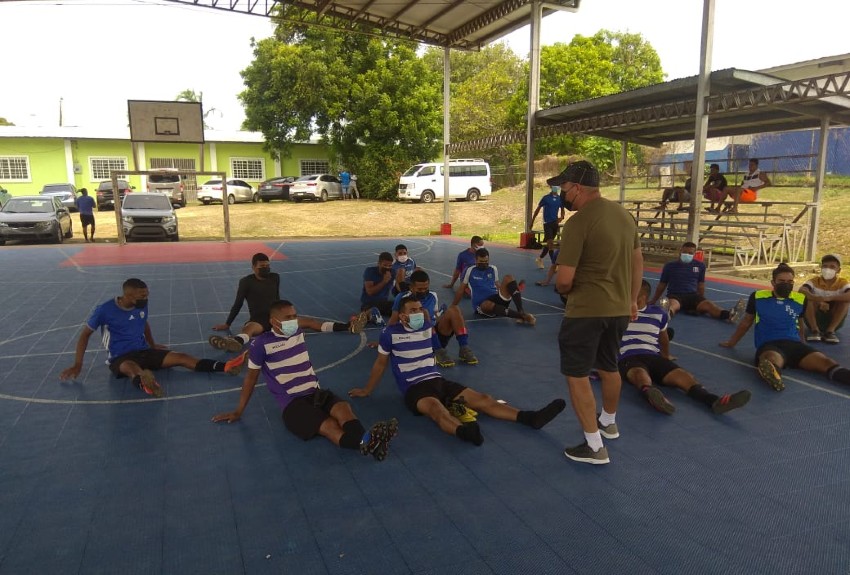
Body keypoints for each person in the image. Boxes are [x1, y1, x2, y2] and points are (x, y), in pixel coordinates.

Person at [348, 296, 566, 446]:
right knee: (436, 409)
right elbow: (380, 364)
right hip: (414, 389)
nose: (418, 313)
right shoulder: (389, 333)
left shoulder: (426, 326)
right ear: (402, 316)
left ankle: (530, 418)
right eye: (412, 311)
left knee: (483, 398)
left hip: (437, 380)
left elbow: (436, 342)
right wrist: (367, 390)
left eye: (419, 309)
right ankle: (464, 431)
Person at [212, 300, 398, 461]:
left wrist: (346, 327)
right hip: (293, 404)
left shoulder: (297, 328)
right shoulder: (261, 344)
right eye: (288, 318)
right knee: (329, 425)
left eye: (294, 315)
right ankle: (367, 442)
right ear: (273, 321)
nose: (293, 320)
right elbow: (250, 379)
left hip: (316, 393)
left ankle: (368, 442)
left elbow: (318, 325)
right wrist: (238, 411)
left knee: (343, 409)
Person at [550, 159, 643, 465]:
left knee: (577, 375)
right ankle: (609, 421)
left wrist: (563, 291)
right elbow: (637, 262)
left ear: (576, 188)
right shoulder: (624, 216)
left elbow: (564, 279)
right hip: (618, 309)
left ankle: (593, 446)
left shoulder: (578, 222)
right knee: (609, 365)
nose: (561, 192)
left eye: (563, 187)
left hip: (586, 310)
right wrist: (631, 300)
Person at [59, 278, 245, 398]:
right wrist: (78, 364)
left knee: (181, 357)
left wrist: (153, 344)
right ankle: (146, 382)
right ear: (128, 296)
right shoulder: (104, 310)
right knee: (132, 368)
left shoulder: (141, 306)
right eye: (142, 295)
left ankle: (226, 367)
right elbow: (85, 335)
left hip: (145, 350)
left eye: (147, 294)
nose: (146, 298)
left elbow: (144, 323)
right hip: (120, 357)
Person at [620, 280, 751, 415]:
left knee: (683, 376)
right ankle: (651, 393)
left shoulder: (658, 313)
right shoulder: (618, 314)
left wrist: (666, 359)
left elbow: (663, 338)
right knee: (639, 374)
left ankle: (714, 401)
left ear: (642, 297)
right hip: (628, 356)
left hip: (653, 355)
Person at [720, 263, 850, 391]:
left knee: (826, 362)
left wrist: (803, 343)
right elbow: (746, 322)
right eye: (782, 281)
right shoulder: (758, 297)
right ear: (773, 282)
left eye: (790, 281)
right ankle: (773, 375)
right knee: (771, 359)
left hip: (794, 345)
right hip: (770, 344)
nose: (786, 284)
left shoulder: (800, 299)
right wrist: (732, 342)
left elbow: (799, 322)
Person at [210, 253, 367, 352]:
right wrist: (227, 323)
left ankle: (349, 326)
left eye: (267, 266)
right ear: (253, 267)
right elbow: (238, 303)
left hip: (278, 318)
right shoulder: (246, 282)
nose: (265, 269)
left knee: (311, 323)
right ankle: (233, 343)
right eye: (261, 267)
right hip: (259, 318)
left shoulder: (275, 277)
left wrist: (286, 315)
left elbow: (277, 298)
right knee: (249, 329)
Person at [389, 269, 477, 367]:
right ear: (411, 287)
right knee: (425, 312)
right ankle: (438, 350)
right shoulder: (401, 298)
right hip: (413, 340)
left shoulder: (432, 296)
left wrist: (443, 316)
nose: (423, 291)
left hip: (433, 336)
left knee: (454, 309)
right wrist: (384, 340)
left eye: (425, 288)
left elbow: (434, 318)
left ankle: (464, 348)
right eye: (419, 289)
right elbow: (393, 321)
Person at [648, 242, 744, 322]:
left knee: (709, 305)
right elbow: (662, 284)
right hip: (675, 295)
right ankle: (666, 314)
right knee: (674, 305)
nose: (687, 255)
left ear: (694, 254)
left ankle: (730, 315)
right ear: (680, 251)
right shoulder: (669, 266)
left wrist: (701, 299)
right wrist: (653, 300)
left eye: (690, 253)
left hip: (693, 296)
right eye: (685, 252)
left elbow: (701, 284)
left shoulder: (700, 266)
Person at [453, 248, 535, 325]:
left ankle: (521, 311)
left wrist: (510, 290)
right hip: (482, 304)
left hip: (496, 298)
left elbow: (498, 285)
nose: (484, 264)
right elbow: (461, 290)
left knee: (508, 277)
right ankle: (523, 316)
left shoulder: (493, 269)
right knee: (487, 304)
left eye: (486, 261)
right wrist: (453, 306)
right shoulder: (470, 270)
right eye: (481, 262)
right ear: (475, 260)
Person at [799, 254, 850, 344]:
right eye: (825, 266)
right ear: (821, 268)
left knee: (845, 302)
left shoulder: (843, 283)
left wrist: (829, 298)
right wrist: (817, 300)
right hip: (813, 319)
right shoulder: (814, 281)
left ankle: (830, 331)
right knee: (808, 299)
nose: (828, 269)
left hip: (834, 319)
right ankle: (815, 330)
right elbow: (802, 290)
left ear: (839, 270)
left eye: (832, 267)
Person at [531, 185, 565, 269]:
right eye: (554, 187)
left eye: (557, 187)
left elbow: (562, 209)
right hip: (547, 223)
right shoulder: (546, 198)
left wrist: (561, 217)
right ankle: (554, 264)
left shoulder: (560, 199)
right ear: (551, 188)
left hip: (555, 223)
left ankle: (539, 258)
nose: (555, 188)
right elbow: (537, 209)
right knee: (550, 244)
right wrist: (532, 221)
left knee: (547, 244)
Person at [361, 251, 395, 324]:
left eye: (390, 265)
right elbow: (370, 291)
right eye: (385, 265)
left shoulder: (393, 272)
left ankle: (374, 316)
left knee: (400, 307)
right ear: (379, 263)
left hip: (384, 302)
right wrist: (384, 281)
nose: (387, 268)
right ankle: (369, 315)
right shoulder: (370, 271)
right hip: (369, 302)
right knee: (370, 309)